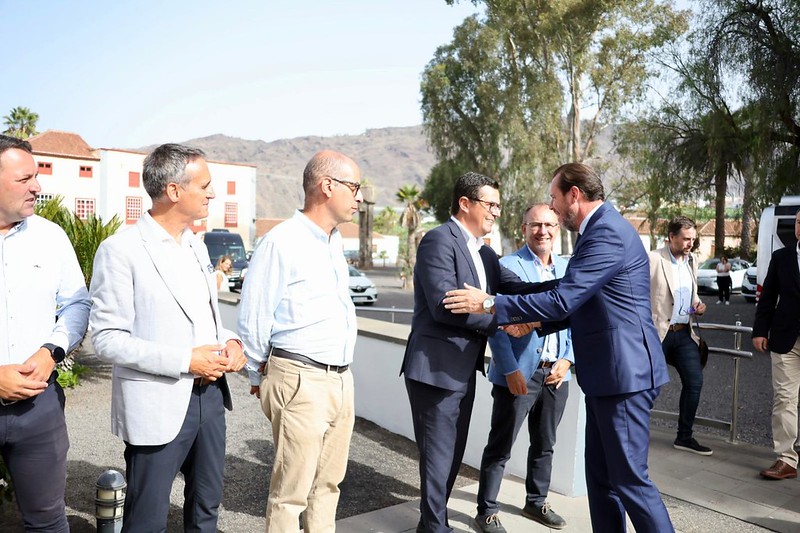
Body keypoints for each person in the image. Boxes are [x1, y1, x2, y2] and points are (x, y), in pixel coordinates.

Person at [444, 162, 674, 533]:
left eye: (554, 198)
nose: (552, 208)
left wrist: (489, 304)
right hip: (607, 377)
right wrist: (533, 322)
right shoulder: (596, 232)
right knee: (600, 480)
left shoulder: (607, 233)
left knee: (631, 481)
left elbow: (565, 299)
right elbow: (580, 305)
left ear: (574, 195)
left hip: (625, 376)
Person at [89, 143, 246, 532]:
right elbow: (105, 338)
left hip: (210, 399)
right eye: (205, 185)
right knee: (146, 521)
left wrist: (231, 342)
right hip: (157, 404)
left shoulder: (196, 244)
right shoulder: (120, 251)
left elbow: (203, 320)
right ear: (175, 191)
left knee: (206, 510)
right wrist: (185, 360)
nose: (212, 193)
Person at [400, 172, 536, 533]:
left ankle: (430, 525)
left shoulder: (486, 254)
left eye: (498, 205)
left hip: (462, 371)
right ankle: (435, 529)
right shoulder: (438, 241)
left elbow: (520, 292)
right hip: (435, 370)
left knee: (452, 456)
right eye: (491, 204)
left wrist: (572, 288)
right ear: (465, 203)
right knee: (438, 458)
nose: (496, 212)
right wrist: (501, 319)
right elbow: (446, 305)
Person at [238, 150, 362, 532]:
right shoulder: (282, 242)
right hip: (300, 379)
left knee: (328, 486)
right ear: (327, 186)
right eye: (354, 187)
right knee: (291, 493)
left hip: (340, 379)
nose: (358, 198)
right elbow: (254, 315)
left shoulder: (333, 241)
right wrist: (258, 376)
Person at [0, 134, 91, 531]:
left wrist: (51, 351)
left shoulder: (50, 237)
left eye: (35, 176)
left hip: (39, 410)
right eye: (25, 179)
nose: (37, 186)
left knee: (48, 520)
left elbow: (76, 304)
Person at [475, 203, 574, 532]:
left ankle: (536, 501)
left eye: (548, 224)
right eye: (535, 225)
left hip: (557, 374)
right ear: (523, 229)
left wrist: (568, 360)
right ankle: (486, 510)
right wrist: (509, 371)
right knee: (501, 445)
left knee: (545, 443)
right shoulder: (507, 266)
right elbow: (497, 322)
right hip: (519, 373)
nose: (542, 231)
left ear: (557, 228)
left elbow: (575, 317)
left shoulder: (568, 269)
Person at [649, 217, 711, 455]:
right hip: (658, 334)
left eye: (693, 239)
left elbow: (689, 294)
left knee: (694, 382)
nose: (690, 244)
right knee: (649, 387)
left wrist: (698, 305)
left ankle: (684, 437)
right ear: (671, 237)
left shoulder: (692, 260)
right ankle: (634, 434)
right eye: (686, 239)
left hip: (684, 333)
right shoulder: (654, 259)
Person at [752, 208, 800, 481]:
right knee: (784, 399)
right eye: (798, 222)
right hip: (786, 340)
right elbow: (768, 297)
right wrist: (760, 330)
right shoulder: (781, 257)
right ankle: (786, 459)